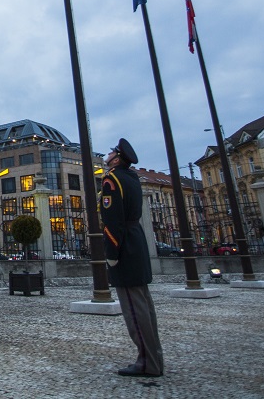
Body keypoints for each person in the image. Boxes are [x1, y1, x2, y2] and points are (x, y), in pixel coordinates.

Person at [101, 138, 164, 377]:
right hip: (136, 241)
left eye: (111, 152)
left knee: (134, 311)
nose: (107, 154)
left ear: (116, 159)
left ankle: (148, 362)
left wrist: (111, 254)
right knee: (145, 306)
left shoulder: (112, 179)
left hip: (124, 247)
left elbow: (112, 220)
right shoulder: (132, 178)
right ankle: (154, 357)